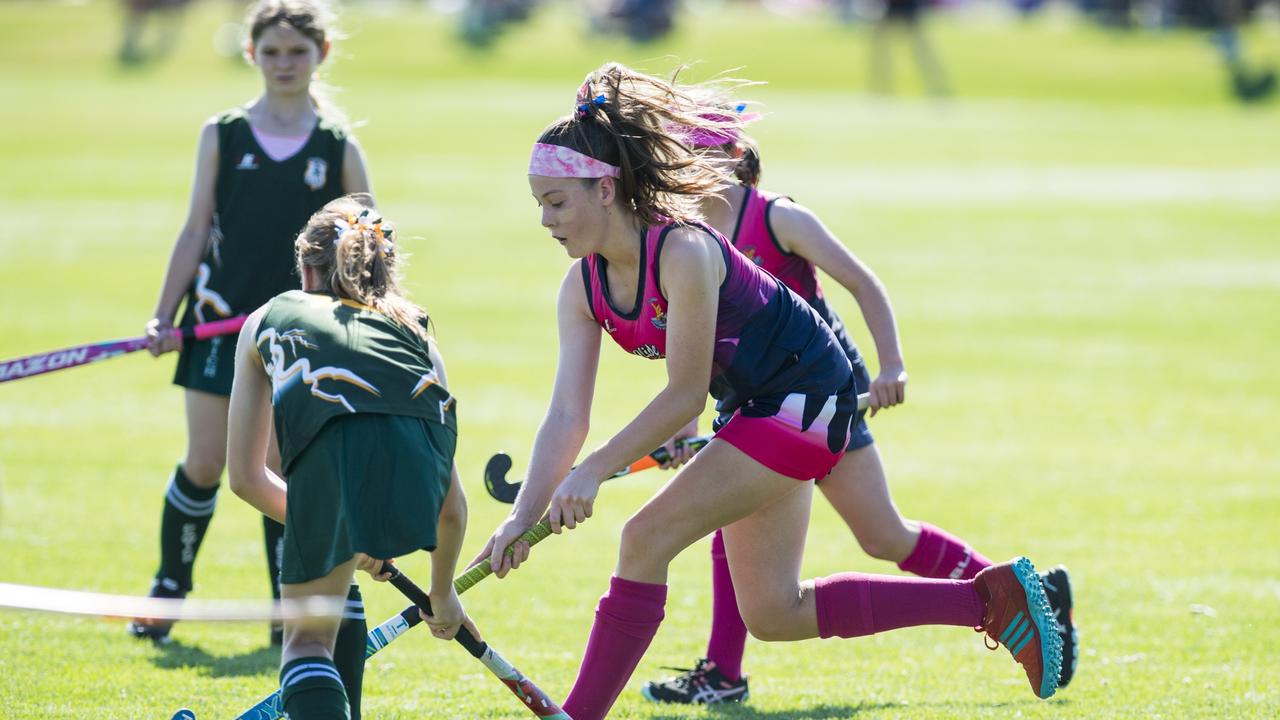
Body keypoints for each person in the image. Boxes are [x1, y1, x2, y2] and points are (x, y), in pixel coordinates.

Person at [476, 62, 1064, 720]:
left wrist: (592, 471)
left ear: (606, 188)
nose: (546, 220)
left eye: (557, 202)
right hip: (755, 411)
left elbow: (684, 396)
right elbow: (565, 414)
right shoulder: (581, 289)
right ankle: (990, 600)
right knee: (775, 612)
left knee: (644, 538)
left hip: (810, 396)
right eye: (540, 205)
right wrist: (520, 517)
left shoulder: (683, 252)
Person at [640, 111, 1078, 704]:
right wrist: (684, 427)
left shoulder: (778, 217)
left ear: (732, 157)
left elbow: (863, 283)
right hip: (750, 401)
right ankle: (722, 673)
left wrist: (892, 363)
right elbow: (696, 345)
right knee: (732, 515)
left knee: (884, 535)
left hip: (822, 397)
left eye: (696, 152)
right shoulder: (682, 236)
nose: (682, 165)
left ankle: (1022, 595)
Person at [129, 0, 373, 647]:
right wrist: (162, 314)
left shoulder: (338, 145)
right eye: (272, 51)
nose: (284, 63)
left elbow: (367, 246)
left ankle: (284, 609)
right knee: (208, 462)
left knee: (274, 466)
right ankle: (168, 590)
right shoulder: (225, 132)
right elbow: (194, 228)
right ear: (252, 54)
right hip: (215, 320)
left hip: (297, 332)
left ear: (320, 55)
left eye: (297, 51)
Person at [227, 195, 471, 720]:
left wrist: (338, 530)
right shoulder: (418, 331)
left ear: (305, 266)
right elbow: (449, 505)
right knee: (333, 590)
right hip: (411, 478)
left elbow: (247, 479)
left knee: (306, 644)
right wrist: (443, 590)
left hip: (326, 462)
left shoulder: (269, 317)